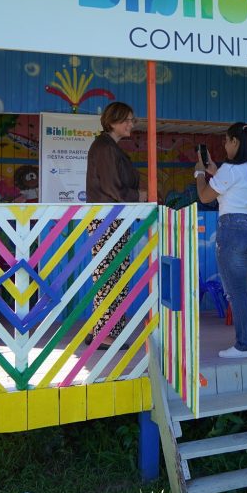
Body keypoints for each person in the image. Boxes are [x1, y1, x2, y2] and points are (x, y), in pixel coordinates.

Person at [195, 122, 247, 358]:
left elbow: (205, 196)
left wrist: (199, 173)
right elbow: (236, 186)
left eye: (226, 140)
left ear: (235, 141)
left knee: (237, 291)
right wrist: (215, 171)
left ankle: (244, 345)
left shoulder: (230, 169)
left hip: (233, 230)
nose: (224, 145)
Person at [85, 101, 142, 349]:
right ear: (112, 121)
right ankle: (103, 333)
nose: (131, 124)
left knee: (116, 276)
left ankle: (106, 329)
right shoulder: (105, 148)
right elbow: (113, 187)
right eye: (127, 119)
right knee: (109, 276)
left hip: (114, 218)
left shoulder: (109, 147)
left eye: (132, 119)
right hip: (107, 218)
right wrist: (140, 196)